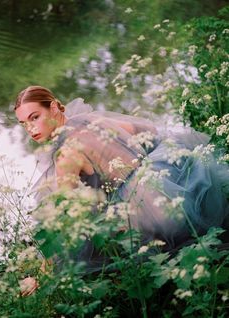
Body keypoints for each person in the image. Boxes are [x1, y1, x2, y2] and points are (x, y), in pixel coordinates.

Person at [15, 85, 229, 294]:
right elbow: (148, 132)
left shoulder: (66, 155)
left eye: (34, 117)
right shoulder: (92, 120)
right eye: (23, 124)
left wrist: (42, 274)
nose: (30, 129)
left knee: (90, 246)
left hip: (153, 218)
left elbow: (65, 221)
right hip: (176, 189)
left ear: (53, 108)